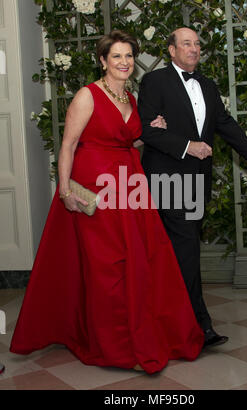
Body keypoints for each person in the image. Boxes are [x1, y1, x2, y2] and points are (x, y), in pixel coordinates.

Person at [10, 30, 204, 374]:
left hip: (128, 186)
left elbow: (121, 140)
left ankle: (136, 335)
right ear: (103, 61)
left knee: (139, 261)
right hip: (96, 187)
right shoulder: (88, 95)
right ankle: (112, 345)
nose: (124, 62)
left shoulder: (129, 98)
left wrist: (147, 131)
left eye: (129, 56)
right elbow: (68, 145)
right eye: (116, 56)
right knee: (107, 267)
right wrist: (67, 191)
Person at [138, 27, 247, 348]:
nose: (194, 49)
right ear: (171, 50)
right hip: (167, 180)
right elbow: (145, 130)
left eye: (197, 44)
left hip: (197, 182)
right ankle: (199, 325)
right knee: (187, 251)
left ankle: (168, 322)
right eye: (186, 43)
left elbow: (225, 124)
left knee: (179, 252)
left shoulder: (208, 86)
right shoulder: (155, 82)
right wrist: (188, 146)